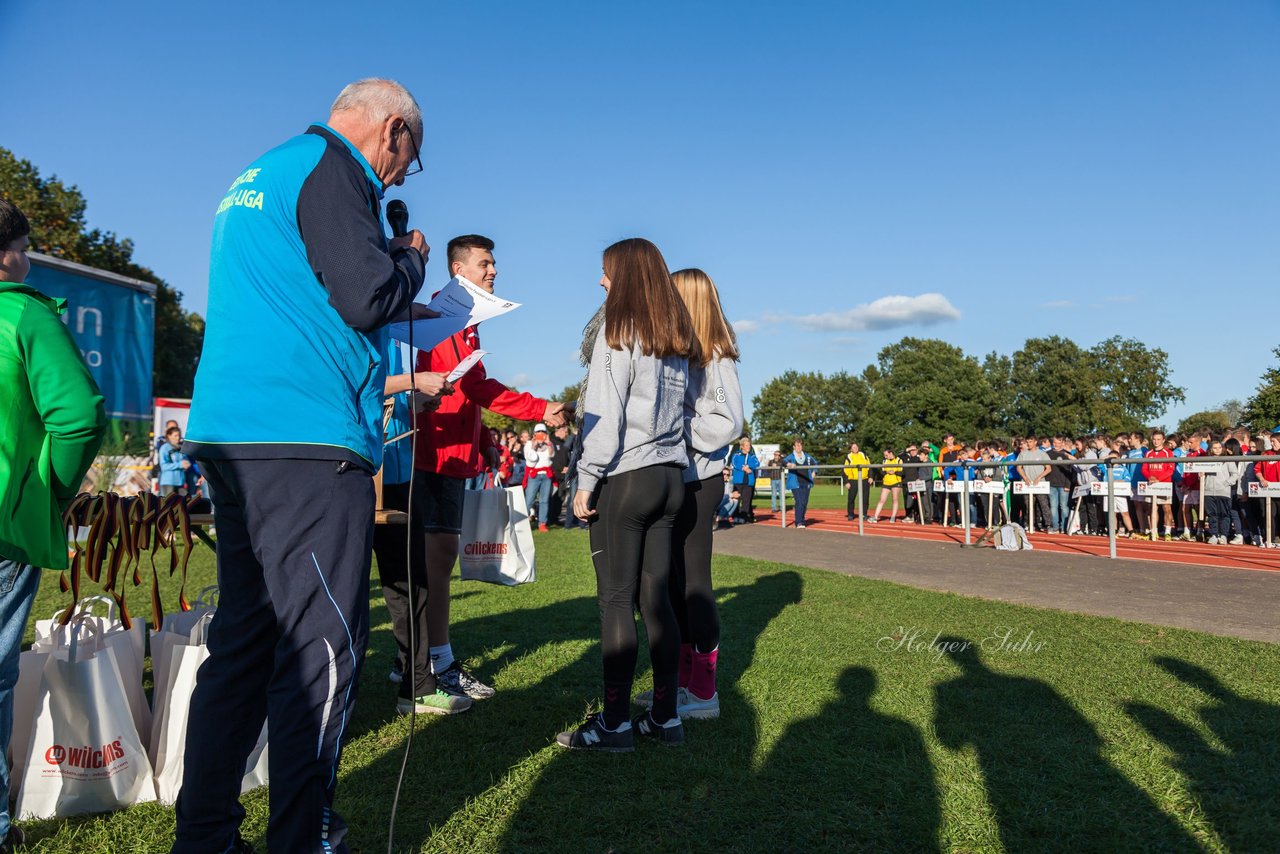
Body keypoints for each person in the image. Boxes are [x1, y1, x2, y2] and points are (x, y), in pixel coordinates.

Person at [175, 79, 432, 854]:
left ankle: (208, 834)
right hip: (306, 436)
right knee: (320, 647)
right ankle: (303, 834)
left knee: (246, 642)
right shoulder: (334, 168)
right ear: (391, 132)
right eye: (407, 161)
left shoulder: (266, 169)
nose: (397, 178)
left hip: (233, 428)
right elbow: (367, 297)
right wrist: (410, 262)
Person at [412, 235, 565, 699]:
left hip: (452, 453)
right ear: (459, 270)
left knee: (434, 561)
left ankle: (420, 660)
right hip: (435, 455)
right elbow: (478, 388)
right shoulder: (448, 314)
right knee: (435, 563)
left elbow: (461, 390)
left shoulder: (462, 316)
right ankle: (436, 663)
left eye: (494, 263)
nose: (493, 271)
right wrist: (540, 407)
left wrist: (483, 441)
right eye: (485, 264)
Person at [558, 237, 695, 752]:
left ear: (627, 275)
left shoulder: (617, 332)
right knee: (655, 600)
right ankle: (665, 716)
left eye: (606, 272)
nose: (600, 281)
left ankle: (615, 722)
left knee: (616, 600)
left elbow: (604, 414)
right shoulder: (674, 336)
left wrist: (587, 477)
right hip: (668, 477)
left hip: (628, 476)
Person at [0, 200, 107, 852]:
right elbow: (78, 416)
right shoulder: (23, 312)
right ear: (9, 252)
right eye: (26, 246)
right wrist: (48, 494)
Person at [662, 267, 744, 720]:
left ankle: (705, 692)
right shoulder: (681, 354)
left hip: (701, 480)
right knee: (672, 584)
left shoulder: (716, 355)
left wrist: (673, 427)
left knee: (695, 584)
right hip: (676, 476)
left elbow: (729, 422)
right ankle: (681, 683)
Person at [373, 338, 462, 717]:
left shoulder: (392, 331)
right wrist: (413, 380)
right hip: (356, 468)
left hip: (398, 470)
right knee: (341, 587)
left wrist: (415, 402)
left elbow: (385, 395)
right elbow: (356, 381)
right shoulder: (355, 308)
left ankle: (418, 687)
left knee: (411, 581)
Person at [1199, 439, 1242, 545]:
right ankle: (1214, 535)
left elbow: (1235, 474)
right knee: (1212, 514)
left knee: (1224, 514)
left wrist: (1226, 483)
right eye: (1215, 448)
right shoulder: (1206, 460)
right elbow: (1201, 475)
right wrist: (1201, 477)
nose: (1217, 450)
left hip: (1223, 492)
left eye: (1219, 447)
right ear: (1210, 449)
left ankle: (1224, 535)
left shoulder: (1227, 460)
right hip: (1208, 492)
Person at [1142, 430, 1177, 541]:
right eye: (1154, 439)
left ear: (1163, 440)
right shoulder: (1148, 453)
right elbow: (1144, 469)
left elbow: (1170, 470)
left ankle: (1167, 531)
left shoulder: (1168, 453)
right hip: (1151, 484)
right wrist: (1150, 478)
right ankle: (1154, 531)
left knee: (1166, 508)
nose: (1156, 442)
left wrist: (1158, 479)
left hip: (1164, 484)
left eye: (1158, 439)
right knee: (1152, 508)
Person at [523, 423, 556, 531]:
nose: (541, 434)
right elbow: (531, 460)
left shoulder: (549, 444)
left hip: (546, 475)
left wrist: (549, 444)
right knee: (529, 500)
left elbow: (552, 455)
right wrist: (534, 446)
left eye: (543, 432)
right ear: (534, 434)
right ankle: (522, 522)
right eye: (538, 433)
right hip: (534, 475)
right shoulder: (529, 444)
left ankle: (542, 523)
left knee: (544, 500)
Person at [785, 439, 818, 528]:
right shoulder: (791, 457)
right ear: (794, 447)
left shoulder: (807, 457)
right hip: (795, 483)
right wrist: (789, 464)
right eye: (797, 445)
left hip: (806, 482)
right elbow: (783, 462)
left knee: (804, 503)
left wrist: (814, 471)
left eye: (800, 445)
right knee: (799, 502)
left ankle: (802, 520)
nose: (798, 447)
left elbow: (815, 463)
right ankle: (798, 522)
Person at [729, 437, 759, 523]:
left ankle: (744, 517)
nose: (748, 447)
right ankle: (735, 516)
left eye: (749, 445)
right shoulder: (736, 454)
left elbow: (756, 463)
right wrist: (743, 468)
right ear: (742, 446)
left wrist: (749, 466)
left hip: (749, 482)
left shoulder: (752, 456)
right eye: (746, 445)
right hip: (738, 481)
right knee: (736, 500)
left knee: (746, 500)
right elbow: (734, 463)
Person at [158, 425, 193, 497]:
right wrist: (180, 464)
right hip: (169, 482)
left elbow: (185, 460)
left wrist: (187, 464)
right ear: (169, 436)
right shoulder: (164, 448)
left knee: (181, 505)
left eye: (179, 435)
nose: (178, 437)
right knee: (168, 506)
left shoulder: (181, 448)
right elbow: (163, 466)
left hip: (181, 482)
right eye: (175, 435)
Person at [870, 447, 903, 522]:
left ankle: (893, 517)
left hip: (896, 482)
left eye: (886, 455)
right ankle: (875, 516)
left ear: (891, 453)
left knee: (895, 499)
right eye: (884, 455)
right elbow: (882, 471)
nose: (885, 457)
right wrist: (887, 472)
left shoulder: (898, 460)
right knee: (882, 500)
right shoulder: (885, 461)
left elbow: (901, 472)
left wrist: (894, 472)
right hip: (886, 482)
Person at [843, 442, 872, 521]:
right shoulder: (848, 457)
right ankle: (851, 514)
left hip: (864, 480)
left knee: (865, 498)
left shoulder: (863, 455)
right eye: (853, 447)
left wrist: (871, 477)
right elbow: (845, 470)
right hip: (853, 480)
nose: (855, 448)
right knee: (851, 498)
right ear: (851, 449)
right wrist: (847, 482)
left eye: (856, 447)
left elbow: (869, 466)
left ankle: (864, 514)